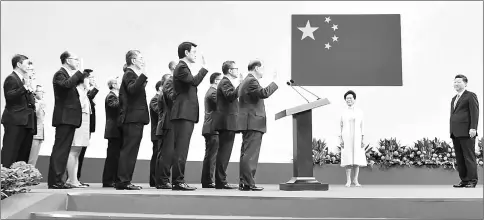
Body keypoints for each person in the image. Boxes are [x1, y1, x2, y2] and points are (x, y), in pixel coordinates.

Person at [171, 42, 209, 191]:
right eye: (193, 52)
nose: (195, 54)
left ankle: (178, 180)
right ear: (186, 53)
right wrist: (204, 68)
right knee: (181, 149)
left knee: (182, 148)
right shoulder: (181, 67)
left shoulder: (183, 68)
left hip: (185, 113)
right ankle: (178, 181)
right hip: (183, 113)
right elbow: (193, 82)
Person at [48, 51, 88, 189]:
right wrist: (79, 73)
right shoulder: (60, 74)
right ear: (67, 60)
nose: (77, 62)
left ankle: (59, 180)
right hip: (64, 117)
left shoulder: (69, 75)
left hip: (70, 118)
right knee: (60, 149)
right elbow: (66, 85)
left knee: (64, 150)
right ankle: (55, 181)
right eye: (75, 59)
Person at [237, 60, 278, 191]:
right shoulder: (251, 81)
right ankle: (248, 182)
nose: (263, 71)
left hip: (249, 122)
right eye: (262, 68)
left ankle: (244, 182)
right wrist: (275, 82)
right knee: (250, 154)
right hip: (253, 122)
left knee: (246, 153)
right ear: (256, 68)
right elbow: (264, 93)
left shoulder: (246, 80)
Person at [116, 50, 149, 190]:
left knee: (131, 150)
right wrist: (143, 76)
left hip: (135, 118)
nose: (143, 61)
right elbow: (132, 89)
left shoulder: (132, 74)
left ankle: (125, 180)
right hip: (132, 118)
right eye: (141, 58)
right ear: (133, 61)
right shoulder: (129, 73)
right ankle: (123, 181)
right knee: (129, 150)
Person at [1, 54, 36, 168]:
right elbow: (10, 96)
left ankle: (18, 178)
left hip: (25, 121)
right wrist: (25, 87)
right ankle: (5, 177)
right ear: (19, 64)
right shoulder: (11, 78)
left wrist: (30, 89)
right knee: (10, 151)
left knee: (22, 153)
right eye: (27, 64)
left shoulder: (23, 80)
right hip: (14, 120)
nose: (29, 66)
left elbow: (30, 101)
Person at [213, 61, 243, 189]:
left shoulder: (227, 82)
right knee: (224, 152)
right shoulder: (225, 82)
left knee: (225, 152)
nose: (237, 70)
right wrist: (241, 85)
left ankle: (221, 180)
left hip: (228, 122)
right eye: (235, 68)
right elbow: (230, 96)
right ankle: (221, 181)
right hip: (226, 123)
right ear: (230, 71)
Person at [450, 74, 479, 188]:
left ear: (465, 84)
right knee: (460, 157)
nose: (456, 84)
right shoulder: (454, 98)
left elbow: (474, 112)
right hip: (455, 132)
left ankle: (472, 180)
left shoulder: (470, 96)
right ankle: (464, 180)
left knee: (468, 156)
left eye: (459, 82)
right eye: (455, 82)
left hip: (467, 131)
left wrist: (473, 128)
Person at [65, 71, 92, 188]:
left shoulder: (84, 92)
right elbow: (77, 106)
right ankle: (71, 179)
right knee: (73, 151)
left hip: (85, 124)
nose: (90, 81)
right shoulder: (77, 91)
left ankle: (74, 179)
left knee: (77, 152)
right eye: (88, 79)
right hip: (78, 124)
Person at [339, 90, 367, 187]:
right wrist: (341, 139)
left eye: (350, 98)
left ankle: (355, 180)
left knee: (357, 158)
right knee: (348, 158)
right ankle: (348, 180)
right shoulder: (343, 112)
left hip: (357, 137)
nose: (349, 100)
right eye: (347, 98)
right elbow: (340, 126)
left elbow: (362, 125)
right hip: (346, 137)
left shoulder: (360, 112)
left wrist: (362, 138)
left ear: (354, 99)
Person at [201, 72, 223, 188]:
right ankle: (208, 180)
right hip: (212, 128)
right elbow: (222, 104)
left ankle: (207, 180)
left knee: (210, 155)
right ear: (216, 81)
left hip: (210, 127)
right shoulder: (213, 93)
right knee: (211, 156)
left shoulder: (211, 92)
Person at [77, 73, 99, 186]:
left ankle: (76, 177)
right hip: (80, 125)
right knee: (77, 153)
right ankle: (73, 177)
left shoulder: (87, 93)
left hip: (87, 126)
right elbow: (87, 97)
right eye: (90, 78)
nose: (93, 80)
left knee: (81, 153)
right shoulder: (82, 92)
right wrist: (94, 88)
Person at [102, 76, 122, 188]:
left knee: (115, 156)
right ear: (113, 85)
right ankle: (108, 180)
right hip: (113, 129)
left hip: (116, 130)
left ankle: (113, 179)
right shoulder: (111, 96)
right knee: (112, 156)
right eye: (119, 83)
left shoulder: (115, 96)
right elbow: (114, 106)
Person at [154, 74, 174, 189]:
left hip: (165, 125)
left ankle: (161, 180)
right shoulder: (166, 93)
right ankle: (163, 180)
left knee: (163, 154)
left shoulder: (163, 93)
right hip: (167, 124)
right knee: (166, 155)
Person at [149, 81, 163, 187]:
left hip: (161, 132)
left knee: (160, 155)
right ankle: (154, 180)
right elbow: (159, 111)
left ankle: (158, 178)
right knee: (156, 156)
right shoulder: (155, 99)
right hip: (156, 132)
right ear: (159, 88)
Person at [28, 85, 46, 166]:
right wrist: (39, 104)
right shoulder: (34, 103)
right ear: (35, 93)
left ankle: (32, 174)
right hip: (34, 135)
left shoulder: (41, 103)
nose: (43, 94)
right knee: (31, 159)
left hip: (39, 134)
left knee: (34, 158)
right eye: (41, 92)